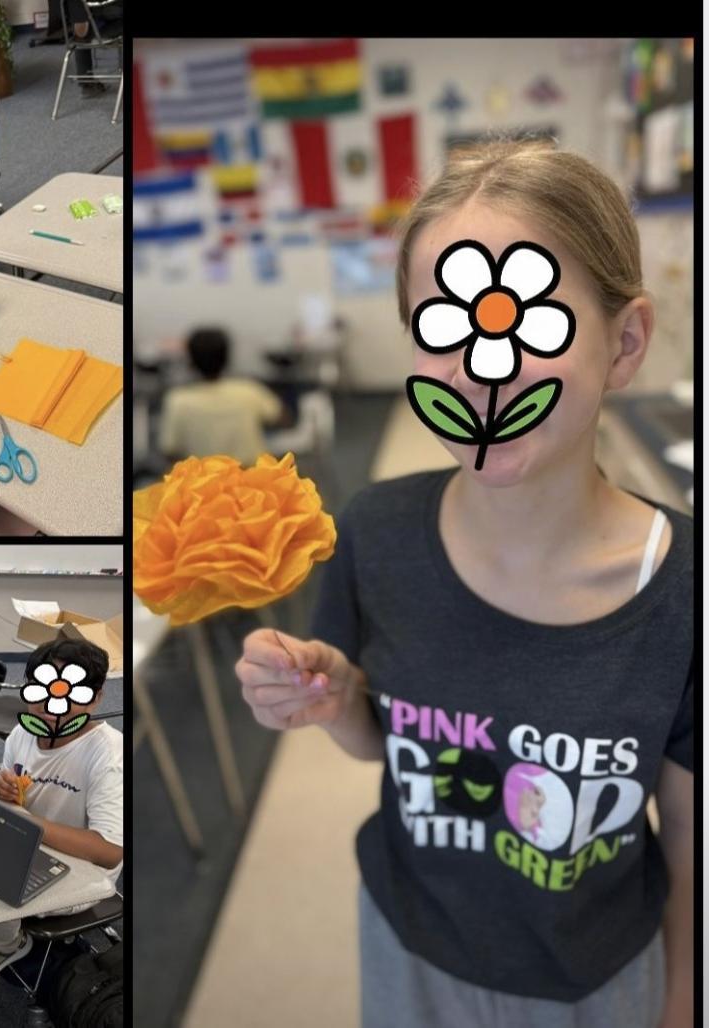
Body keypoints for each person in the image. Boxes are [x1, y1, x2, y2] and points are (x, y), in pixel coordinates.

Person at [235, 139, 692, 1027]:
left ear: (624, 341)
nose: (481, 365)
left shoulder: (681, 593)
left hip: (597, 982)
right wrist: (335, 702)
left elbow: (692, 845)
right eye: (441, 326)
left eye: (528, 320)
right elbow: (390, 749)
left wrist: (681, 1005)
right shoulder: (374, 531)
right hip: (410, 949)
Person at [0, 638, 122, 984]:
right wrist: (4, 791)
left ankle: (5, 943)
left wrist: (31, 825)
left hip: (83, 874)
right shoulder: (22, 732)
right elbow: (16, 794)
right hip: (32, 844)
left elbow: (109, 853)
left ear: (94, 698)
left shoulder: (107, 755)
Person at [158, 327, 289, 466]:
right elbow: (283, 418)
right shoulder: (248, 391)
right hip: (250, 480)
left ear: (190, 360)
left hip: (205, 482)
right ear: (227, 358)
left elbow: (170, 450)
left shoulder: (178, 400)